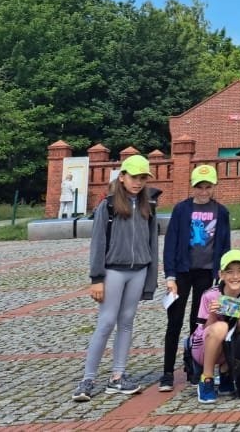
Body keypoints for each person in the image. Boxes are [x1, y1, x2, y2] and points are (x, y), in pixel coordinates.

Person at [72, 154, 160, 401]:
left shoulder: (149, 205)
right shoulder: (108, 206)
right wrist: (96, 278)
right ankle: (88, 379)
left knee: (127, 321)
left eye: (142, 178)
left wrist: (151, 280)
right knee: (106, 322)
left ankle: (117, 376)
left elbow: (153, 244)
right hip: (113, 270)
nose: (138, 182)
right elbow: (98, 242)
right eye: (134, 177)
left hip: (139, 270)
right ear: (122, 177)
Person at [161, 164, 232, 391]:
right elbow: (170, 243)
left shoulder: (221, 212)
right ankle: (167, 372)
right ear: (193, 187)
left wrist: (223, 273)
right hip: (182, 272)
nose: (203, 191)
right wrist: (170, 275)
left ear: (214, 187)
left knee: (198, 321)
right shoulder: (182, 210)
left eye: (207, 187)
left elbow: (225, 245)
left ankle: (193, 364)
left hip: (206, 272)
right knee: (174, 321)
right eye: (199, 187)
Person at [191, 248, 240, 405]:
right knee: (222, 327)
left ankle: (225, 375)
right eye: (229, 272)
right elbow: (203, 330)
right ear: (221, 275)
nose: (235, 276)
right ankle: (206, 379)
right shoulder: (210, 295)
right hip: (202, 347)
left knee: (238, 336)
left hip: (228, 348)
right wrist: (212, 314)